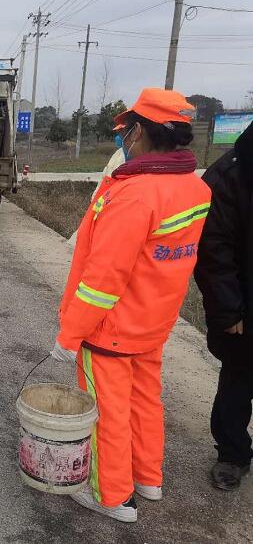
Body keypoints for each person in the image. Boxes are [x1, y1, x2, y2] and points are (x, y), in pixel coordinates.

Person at [51, 88, 211, 522]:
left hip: (110, 327)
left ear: (139, 131)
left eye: (126, 130)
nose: (124, 138)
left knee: (106, 413)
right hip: (154, 319)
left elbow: (103, 282)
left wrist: (70, 334)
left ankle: (111, 495)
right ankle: (147, 478)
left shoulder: (135, 194)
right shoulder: (193, 187)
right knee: (144, 401)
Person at [194, 121, 253, 491]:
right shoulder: (231, 175)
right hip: (244, 307)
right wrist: (229, 311)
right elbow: (213, 250)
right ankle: (232, 454)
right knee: (239, 380)